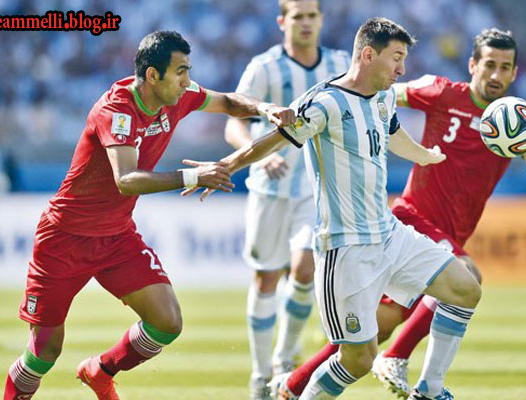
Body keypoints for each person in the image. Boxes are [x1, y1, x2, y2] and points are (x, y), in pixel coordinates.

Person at [196, 18, 484, 400]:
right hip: (346, 250)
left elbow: (392, 133)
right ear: (368, 55)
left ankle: (429, 390)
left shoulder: (383, 97)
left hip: (389, 234)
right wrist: (227, 165)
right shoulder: (324, 102)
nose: (402, 69)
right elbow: (274, 140)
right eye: (396, 58)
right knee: (359, 359)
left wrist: (424, 155)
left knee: (465, 289)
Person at [3, 30, 294, 400]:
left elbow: (228, 102)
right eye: (181, 72)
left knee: (167, 322)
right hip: (64, 238)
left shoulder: (180, 95)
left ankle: (100, 370)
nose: (187, 81)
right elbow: (125, 180)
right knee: (45, 351)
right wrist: (193, 176)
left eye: (188, 71)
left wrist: (265, 109)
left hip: (116, 236)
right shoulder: (116, 110)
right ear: (153, 76)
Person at [266, 28, 526, 400]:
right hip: (413, 218)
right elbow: (383, 91)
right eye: (489, 65)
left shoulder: (512, 120)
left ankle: (291, 386)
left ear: (514, 73)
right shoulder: (442, 92)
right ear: (472, 65)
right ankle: (400, 362)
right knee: (467, 275)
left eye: (505, 67)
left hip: (452, 234)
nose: (496, 74)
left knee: (376, 328)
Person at [223, 1, 350, 398]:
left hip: (316, 190)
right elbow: (234, 124)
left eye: (312, 15)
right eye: (298, 16)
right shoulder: (264, 67)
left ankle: (284, 360)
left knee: (305, 268)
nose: (306, 22)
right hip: (269, 188)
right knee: (265, 278)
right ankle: (260, 375)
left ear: (321, 19)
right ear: (283, 21)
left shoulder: (341, 64)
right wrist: (261, 154)